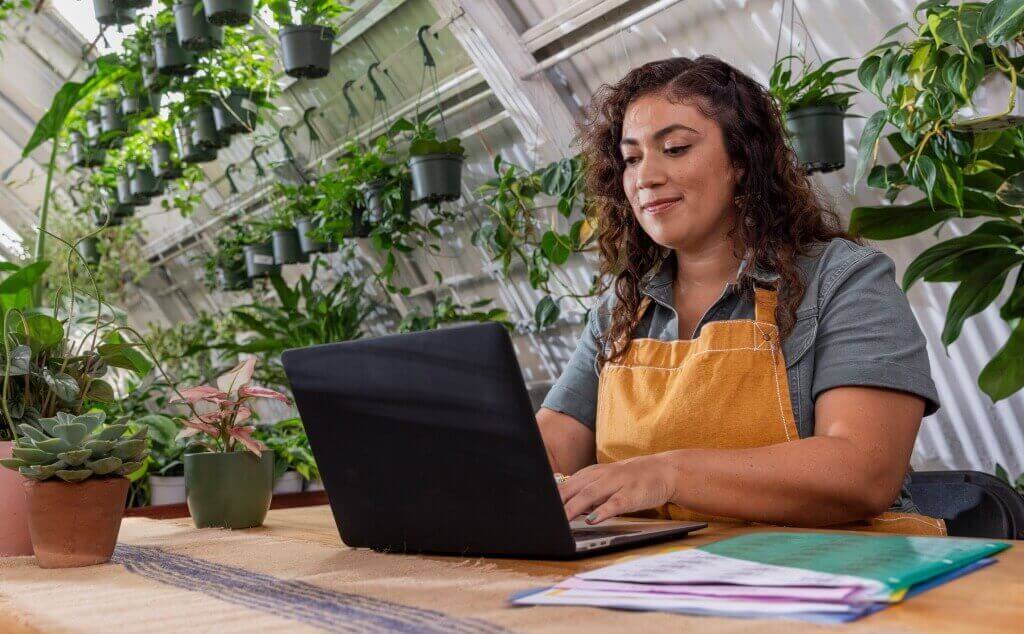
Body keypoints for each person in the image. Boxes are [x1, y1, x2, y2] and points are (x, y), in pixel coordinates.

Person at [536, 56, 946, 536]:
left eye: (674, 148)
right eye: (631, 158)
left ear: (742, 160)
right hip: (658, 580)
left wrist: (667, 474)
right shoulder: (620, 311)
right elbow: (548, 450)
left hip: (832, 580)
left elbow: (863, 470)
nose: (645, 176)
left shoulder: (843, 280)